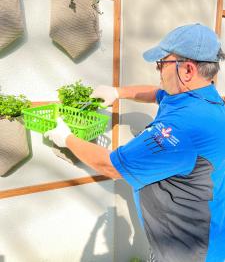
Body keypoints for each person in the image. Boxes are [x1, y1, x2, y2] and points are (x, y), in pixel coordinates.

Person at [44, 23, 225, 262]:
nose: (158, 70)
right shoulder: (201, 99)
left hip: (189, 252)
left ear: (188, 70)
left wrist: (65, 137)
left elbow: (111, 165)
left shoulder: (183, 127)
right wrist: (118, 92)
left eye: (162, 63)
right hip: (202, 237)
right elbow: (155, 93)